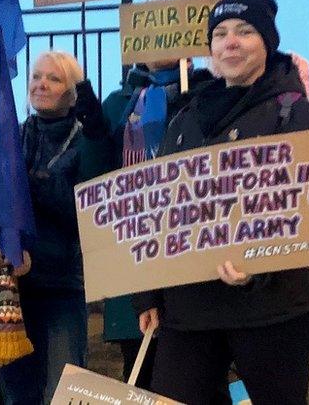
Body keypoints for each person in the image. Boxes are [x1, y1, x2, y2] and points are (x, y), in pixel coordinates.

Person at [135, 0, 309, 404]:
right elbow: (158, 207)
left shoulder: (294, 112)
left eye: (244, 31)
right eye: (220, 34)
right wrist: (149, 294)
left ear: (267, 42)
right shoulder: (186, 117)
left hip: (271, 308)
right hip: (189, 309)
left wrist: (258, 263)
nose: (230, 42)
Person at [0, 51, 112, 404]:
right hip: (12, 288)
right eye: (36, 76)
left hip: (62, 285)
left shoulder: (85, 140)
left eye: (54, 78)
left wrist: (35, 185)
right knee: (17, 394)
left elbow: (88, 212)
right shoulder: (10, 136)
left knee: (63, 391)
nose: (40, 84)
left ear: (72, 91)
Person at [100, 58, 211, 389]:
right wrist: (93, 127)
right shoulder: (120, 105)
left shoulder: (206, 96)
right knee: (140, 375)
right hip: (136, 252)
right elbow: (98, 175)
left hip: (192, 258)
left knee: (195, 382)